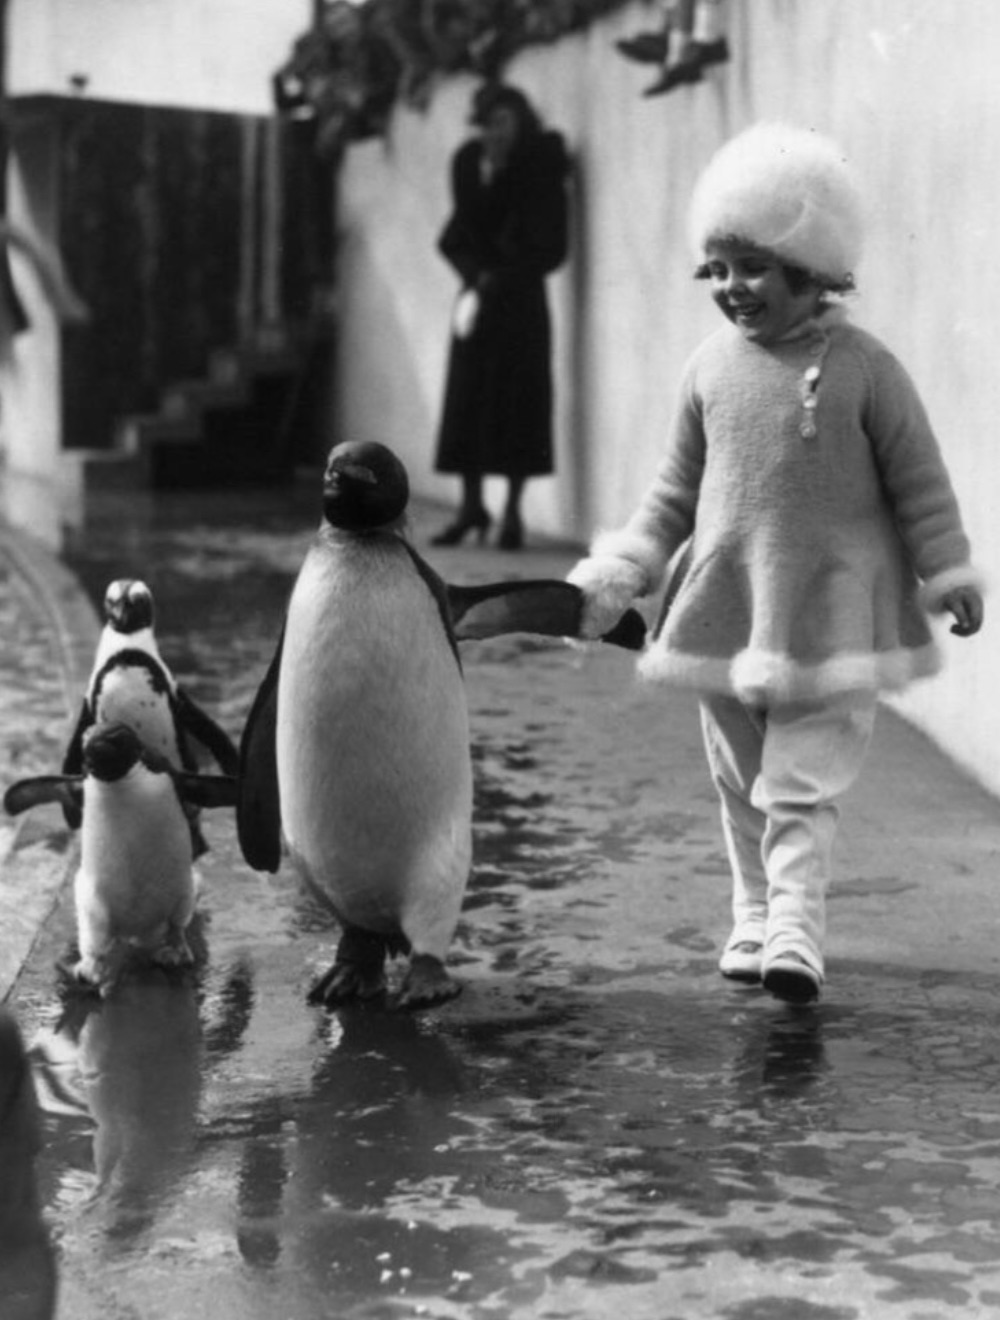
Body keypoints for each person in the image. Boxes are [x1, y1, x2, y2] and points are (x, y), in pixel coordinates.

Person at [567, 122, 984, 1004]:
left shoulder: (867, 369)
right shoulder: (708, 369)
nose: (730, 289)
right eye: (715, 270)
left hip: (834, 610)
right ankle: (753, 911)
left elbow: (921, 483)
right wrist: (625, 568)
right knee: (738, 776)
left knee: (801, 778)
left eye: (751, 267)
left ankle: (797, 925)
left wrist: (947, 571)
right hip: (726, 606)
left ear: (812, 266)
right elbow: (673, 492)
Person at [431, 83, 570, 551]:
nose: (494, 133)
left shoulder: (542, 168)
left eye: (504, 123)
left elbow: (552, 248)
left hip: (521, 305)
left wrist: (503, 277)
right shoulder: (472, 166)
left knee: (518, 407)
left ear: (522, 122)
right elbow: (454, 236)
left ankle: (511, 511)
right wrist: (476, 276)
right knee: (468, 403)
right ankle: (472, 507)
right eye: (488, 124)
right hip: (478, 302)